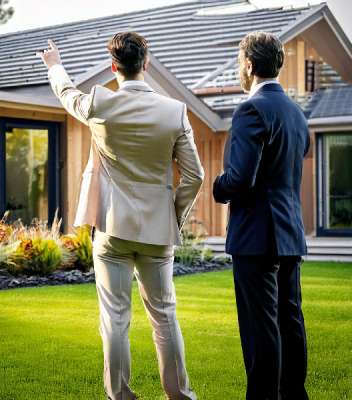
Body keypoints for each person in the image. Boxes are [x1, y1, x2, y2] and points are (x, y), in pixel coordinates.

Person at [37, 32, 203, 400]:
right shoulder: (174, 111)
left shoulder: (100, 105)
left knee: (114, 319)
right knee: (164, 315)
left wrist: (55, 65)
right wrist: (172, 216)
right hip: (158, 232)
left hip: (111, 231)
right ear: (146, 64)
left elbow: (66, 94)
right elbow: (195, 176)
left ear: (114, 67)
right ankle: (179, 396)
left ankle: (121, 397)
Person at [213, 31, 310, 400]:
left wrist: (216, 186)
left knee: (261, 330)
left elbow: (239, 179)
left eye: (241, 63)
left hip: (256, 238)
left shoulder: (250, 110)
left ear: (249, 65)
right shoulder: (296, 113)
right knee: (290, 321)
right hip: (289, 233)